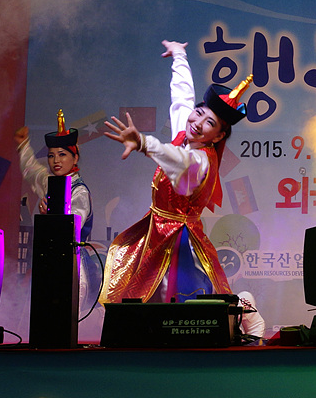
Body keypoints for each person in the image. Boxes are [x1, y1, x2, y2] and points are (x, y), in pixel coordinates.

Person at [99, 39, 252, 307]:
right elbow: (182, 98)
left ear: (218, 136)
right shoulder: (186, 134)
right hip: (157, 229)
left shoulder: (200, 160)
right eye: (199, 113)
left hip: (179, 237)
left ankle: (245, 311)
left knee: (177, 296)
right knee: (143, 292)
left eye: (209, 123)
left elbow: (177, 159)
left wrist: (144, 143)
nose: (197, 123)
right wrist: (179, 56)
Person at [15, 111, 97, 307]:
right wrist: (23, 145)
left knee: (70, 313)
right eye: (51, 156)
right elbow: (32, 170)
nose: (56, 161)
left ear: (75, 158)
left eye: (62, 154)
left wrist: (51, 216)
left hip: (74, 264)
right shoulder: (50, 182)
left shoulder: (79, 192)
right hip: (50, 259)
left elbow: (72, 226)